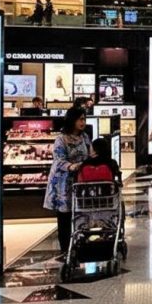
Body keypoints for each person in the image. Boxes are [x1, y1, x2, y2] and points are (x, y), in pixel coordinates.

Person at [43, 107, 90, 254]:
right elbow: (58, 160)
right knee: (64, 217)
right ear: (72, 120)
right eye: (80, 119)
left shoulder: (85, 137)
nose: (83, 122)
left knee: (79, 214)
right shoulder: (61, 139)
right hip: (63, 183)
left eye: (84, 119)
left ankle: (78, 244)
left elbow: (90, 153)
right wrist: (71, 166)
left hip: (80, 181)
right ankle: (65, 249)